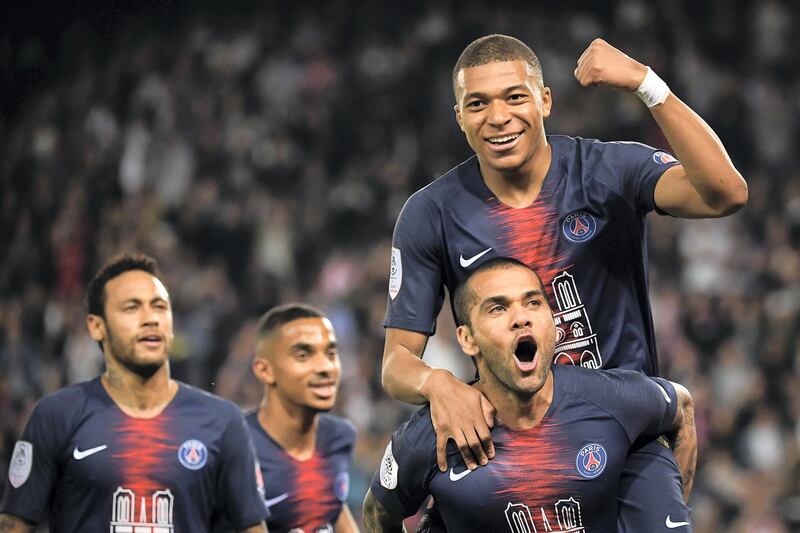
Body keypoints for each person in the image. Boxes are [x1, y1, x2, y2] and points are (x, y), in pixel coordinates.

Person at [381, 35, 745, 528]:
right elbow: (395, 363)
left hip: (623, 432)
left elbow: (725, 193)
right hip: (504, 441)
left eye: (515, 96)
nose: (498, 117)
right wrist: (437, 383)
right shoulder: (430, 214)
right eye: (478, 104)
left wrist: (645, 83)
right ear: (459, 118)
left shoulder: (607, 172)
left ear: (544, 100)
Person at [365, 258, 696, 532]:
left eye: (533, 303)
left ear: (552, 323)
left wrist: (663, 504)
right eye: (497, 309)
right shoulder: (434, 435)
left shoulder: (607, 399)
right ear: (467, 340)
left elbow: (681, 404)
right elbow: (378, 514)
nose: (521, 318)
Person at [0, 254, 269, 533]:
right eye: (132, 308)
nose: (151, 318)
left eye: (160, 307)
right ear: (96, 326)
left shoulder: (222, 421)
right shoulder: (56, 416)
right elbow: (13, 526)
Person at [247, 303, 359, 533]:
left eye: (331, 354)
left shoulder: (339, 437)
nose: (325, 367)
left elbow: (333, 507)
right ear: (264, 370)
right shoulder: (237, 446)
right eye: (303, 355)